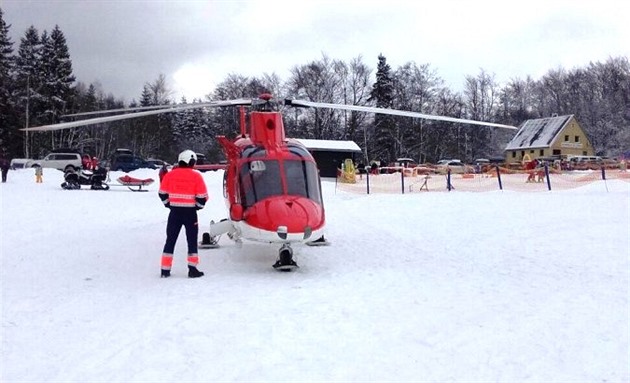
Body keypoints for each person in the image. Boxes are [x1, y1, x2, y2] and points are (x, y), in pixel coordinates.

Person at [158, 150, 208, 278]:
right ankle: (192, 269)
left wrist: (169, 204)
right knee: (191, 241)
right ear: (191, 161)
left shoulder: (170, 175)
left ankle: (165, 270)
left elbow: (162, 193)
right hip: (190, 213)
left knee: (170, 240)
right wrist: (197, 207)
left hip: (174, 213)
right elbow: (202, 197)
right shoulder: (196, 176)